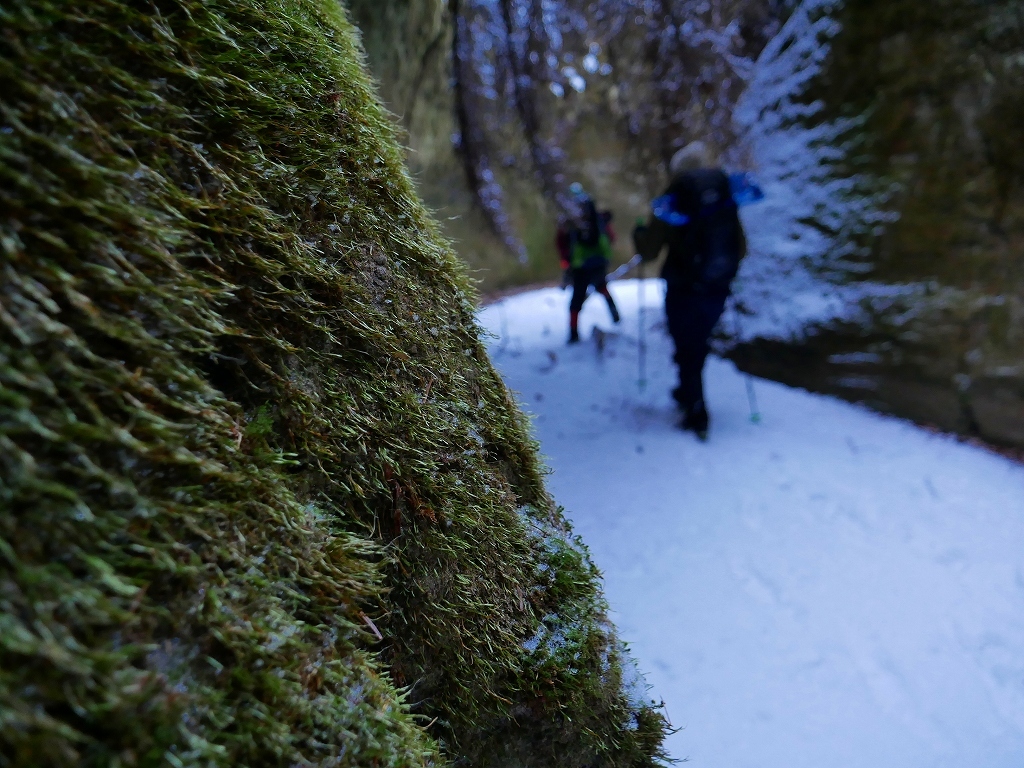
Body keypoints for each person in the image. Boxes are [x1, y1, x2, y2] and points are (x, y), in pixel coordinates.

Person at [632, 141, 747, 438]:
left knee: (687, 345)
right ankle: (687, 392)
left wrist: (639, 232)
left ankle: (696, 410)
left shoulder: (673, 200)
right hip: (718, 286)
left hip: (683, 287)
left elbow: (648, 252)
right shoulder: (723, 196)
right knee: (697, 343)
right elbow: (741, 247)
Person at [556, 183, 620, 344]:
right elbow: (610, 237)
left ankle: (573, 334)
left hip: (579, 266)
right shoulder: (597, 218)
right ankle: (616, 317)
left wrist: (567, 260)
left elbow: (561, 243)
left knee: (576, 299)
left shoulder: (569, 221)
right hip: (599, 262)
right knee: (601, 287)